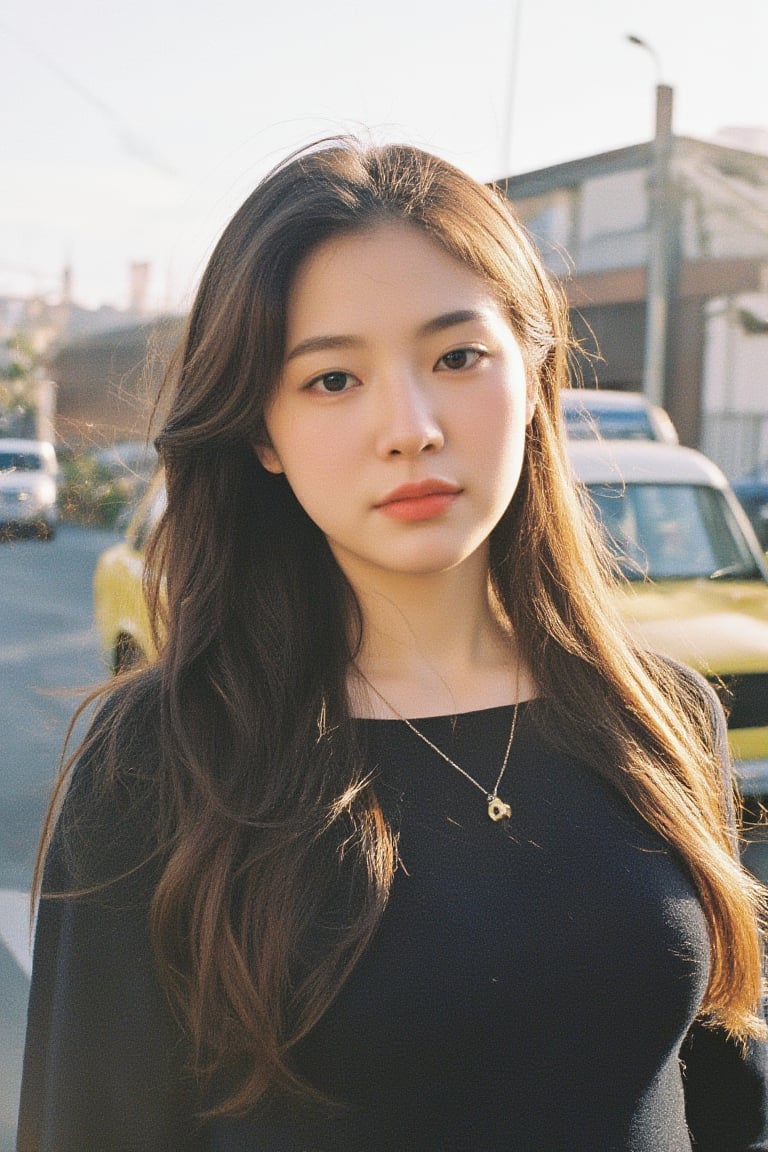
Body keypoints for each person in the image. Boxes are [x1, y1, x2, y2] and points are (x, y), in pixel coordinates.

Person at [17, 138, 768, 1151]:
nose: (409, 427)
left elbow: (722, 1096)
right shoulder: (157, 766)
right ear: (262, 435)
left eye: (457, 357)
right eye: (332, 379)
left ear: (533, 365)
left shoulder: (664, 717)